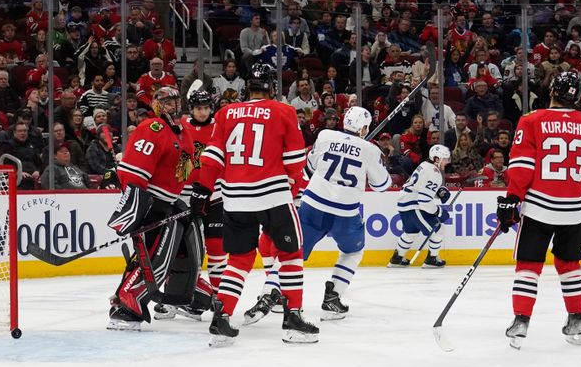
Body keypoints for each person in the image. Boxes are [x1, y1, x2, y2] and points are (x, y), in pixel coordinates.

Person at [191, 65, 318, 346]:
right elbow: (296, 159)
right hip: (272, 194)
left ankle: (221, 318)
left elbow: (212, 157)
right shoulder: (283, 111)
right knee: (291, 253)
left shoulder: (225, 113)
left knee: (238, 260)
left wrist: (203, 189)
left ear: (248, 88)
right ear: (272, 88)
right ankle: (293, 318)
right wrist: (293, 185)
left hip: (234, 196)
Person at [496, 72, 581, 349]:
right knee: (569, 266)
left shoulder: (532, 120)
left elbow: (522, 166)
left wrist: (512, 199)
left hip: (540, 206)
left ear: (552, 90)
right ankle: (577, 320)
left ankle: (521, 322)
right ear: (577, 96)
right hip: (576, 209)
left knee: (529, 266)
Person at [271, 106, 391, 321]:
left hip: (312, 205)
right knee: (353, 252)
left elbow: (309, 168)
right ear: (364, 128)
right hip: (345, 213)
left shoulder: (325, 135)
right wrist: (380, 160)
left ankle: (275, 294)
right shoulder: (371, 150)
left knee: (292, 253)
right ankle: (333, 297)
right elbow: (382, 185)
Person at [106, 87, 196, 331]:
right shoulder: (152, 128)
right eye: (168, 103)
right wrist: (137, 211)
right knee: (153, 260)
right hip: (152, 204)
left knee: (160, 259)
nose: (174, 106)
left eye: (176, 101)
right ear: (157, 106)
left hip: (171, 204)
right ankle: (126, 305)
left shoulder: (184, 130)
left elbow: (187, 171)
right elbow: (134, 174)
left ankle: (122, 300)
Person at [153, 89, 221, 322]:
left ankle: (217, 298)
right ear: (191, 109)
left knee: (212, 251)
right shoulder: (180, 126)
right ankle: (178, 298)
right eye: (198, 108)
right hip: (184, 194)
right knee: (181, 249)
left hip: (215, 195)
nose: (202, 112)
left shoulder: (219, 126)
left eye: (206, 107)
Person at [387, 144, 452, 268]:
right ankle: (432, 259)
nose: (447, 162)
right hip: (414, 205)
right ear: (436, 159)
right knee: (438, 229)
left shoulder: (424, 165)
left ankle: (396, 259)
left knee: (410, 232)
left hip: (404, 203)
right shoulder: (434, 172)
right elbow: (424, 201)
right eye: (445, 159)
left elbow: (420, 187)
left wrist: (438, 192)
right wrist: (439, 212)